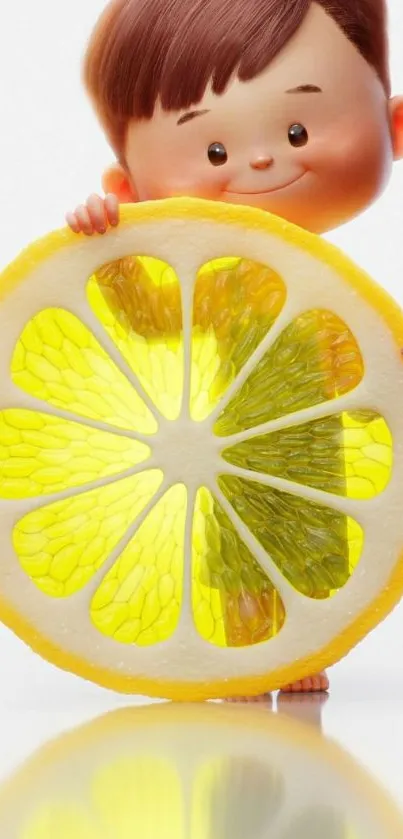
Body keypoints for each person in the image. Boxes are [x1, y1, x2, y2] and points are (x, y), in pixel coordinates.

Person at [67, 0, 403, 695]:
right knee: (238, 556)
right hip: (226, 459)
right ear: (129, 189)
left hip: (315, 464)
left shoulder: (336, 295)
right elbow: (155, 320)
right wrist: (114, 257)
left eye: (296, 127)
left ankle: (303, 648)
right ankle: (249, 651)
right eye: (213, 151)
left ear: (393, 126)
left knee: (315, 554)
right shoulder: (219, 288)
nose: (258, 159)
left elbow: (368, 375)